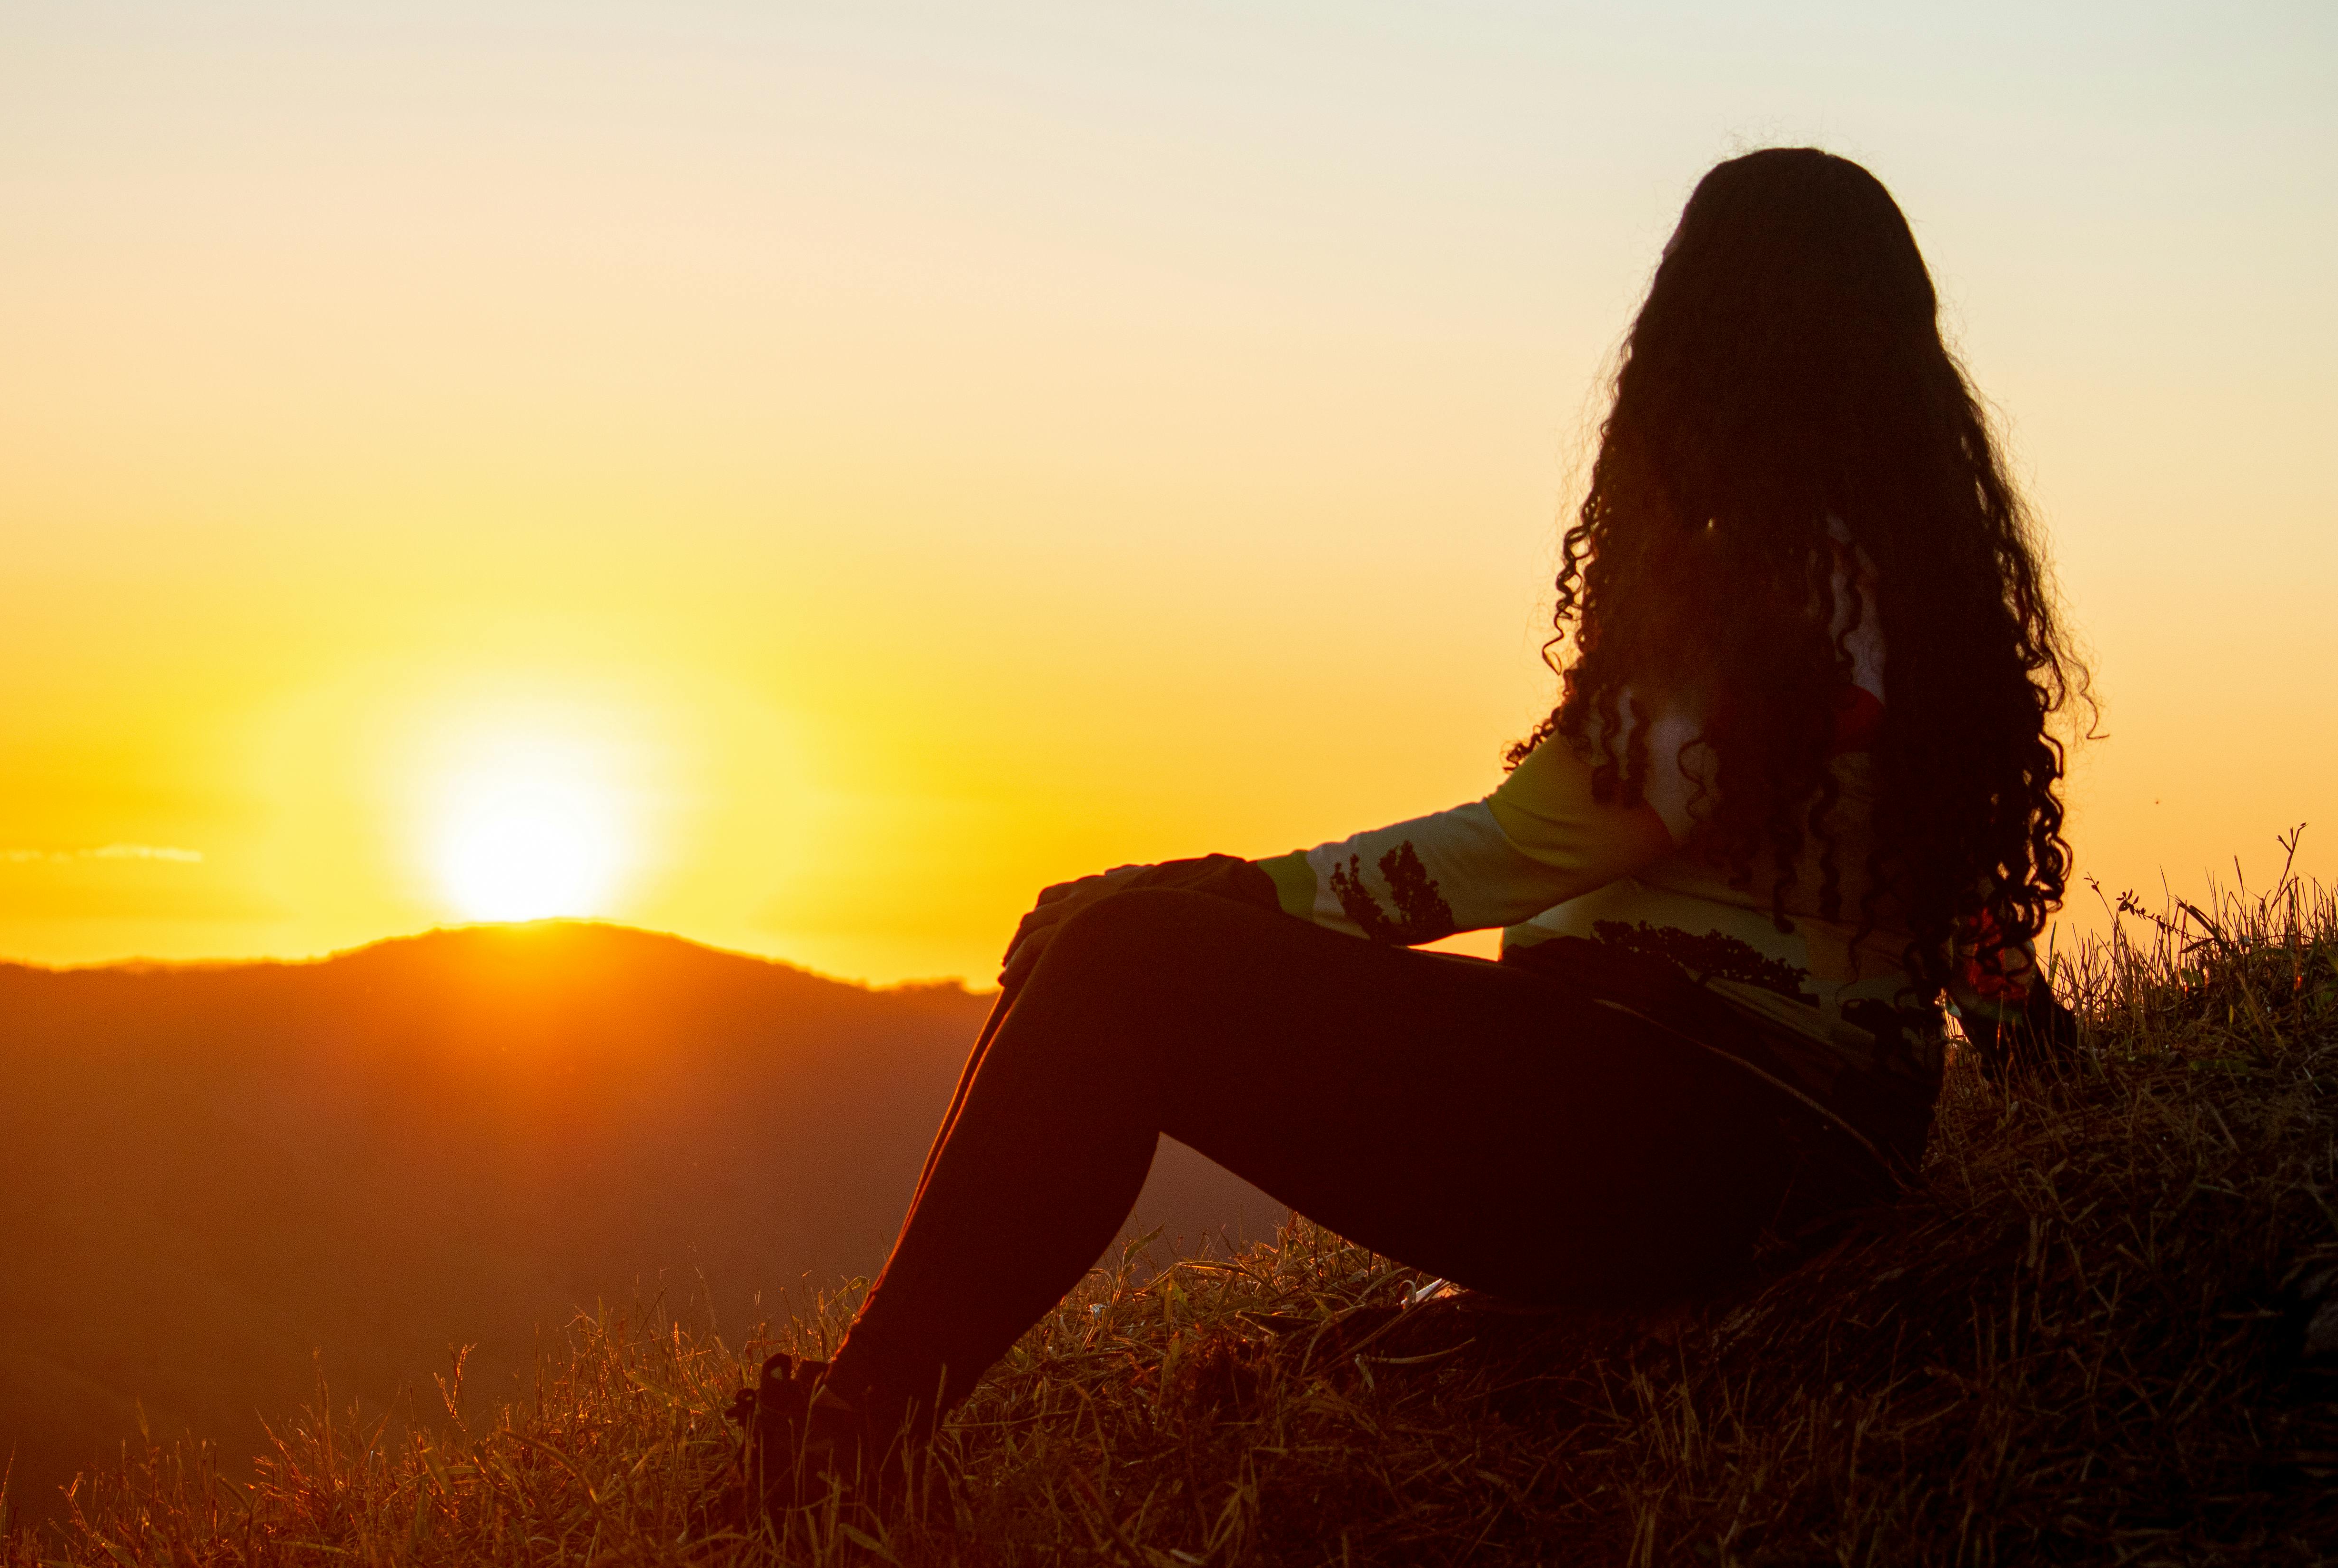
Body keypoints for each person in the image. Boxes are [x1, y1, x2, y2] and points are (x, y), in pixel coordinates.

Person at [730, 146, 2085, 1503]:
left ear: (1709, 339)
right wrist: (2047, 1071)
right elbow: (1954, 884)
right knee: (1121, 962)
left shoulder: (1768, 593)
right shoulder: (1912, 589)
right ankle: (865, 1419)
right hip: (1801, 1156)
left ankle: (849, 1449)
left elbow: (1522, 847)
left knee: (1119, 966)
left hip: (1686, 1141)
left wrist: (1214, 889)